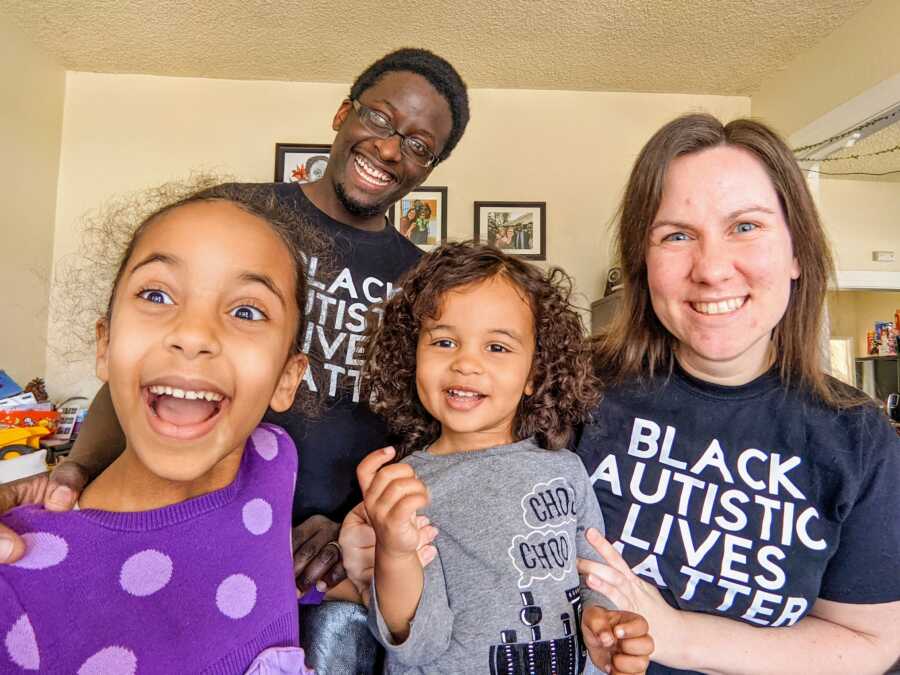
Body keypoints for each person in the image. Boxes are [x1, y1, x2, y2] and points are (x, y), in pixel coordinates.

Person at [0, 48, 470, 673]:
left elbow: (419, 419)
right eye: (381, 120)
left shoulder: (419, 280)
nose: (390, 150)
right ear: (342, 114)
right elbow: (147, 361)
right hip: (165, 519)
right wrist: (79, 467)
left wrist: (351, 521)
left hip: (323, 559)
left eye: (418, 144)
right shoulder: (243, 216)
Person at [575, 114, 900, 673]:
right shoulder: (575, 385)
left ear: (797, 252)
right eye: (676, 235)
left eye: (745, 227)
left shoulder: (858, 437)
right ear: (643, 263)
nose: (712, 269)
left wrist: (676, 635)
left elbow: (870, 643)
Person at [0, 184, 322, 673]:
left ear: (286, 378)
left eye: (247, 310)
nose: (193, 335)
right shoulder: (16, 580)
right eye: (156, 294)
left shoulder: (274, 458)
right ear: (105, 346)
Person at [351, 242, 654, 674]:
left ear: (534, 374)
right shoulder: (406, 487)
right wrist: (395, 553)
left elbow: (596, 571)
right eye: (444, 341)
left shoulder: (565, 468)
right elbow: (414, 644)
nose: (466, 363)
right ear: (411, 355)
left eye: (497, 347)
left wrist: (603, 619)